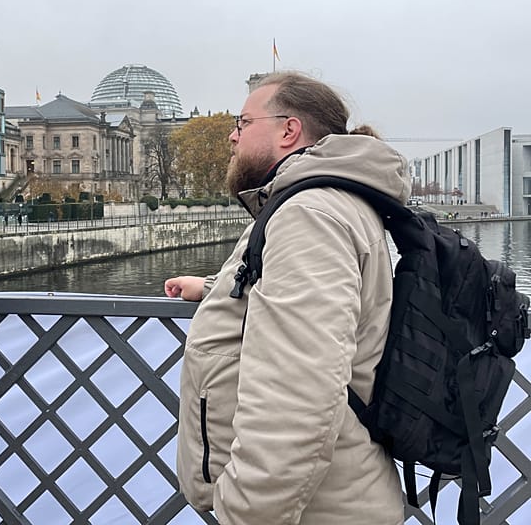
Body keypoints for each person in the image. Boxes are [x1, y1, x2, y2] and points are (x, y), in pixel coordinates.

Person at [166, 71, 409, 524]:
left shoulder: (308, 215)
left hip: (312, 509)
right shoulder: (326, 200)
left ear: (288, 130)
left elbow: (297, 395)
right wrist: (216, 290)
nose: (232, 136)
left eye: (243, 123)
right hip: (336, 496)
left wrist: (246, 512)